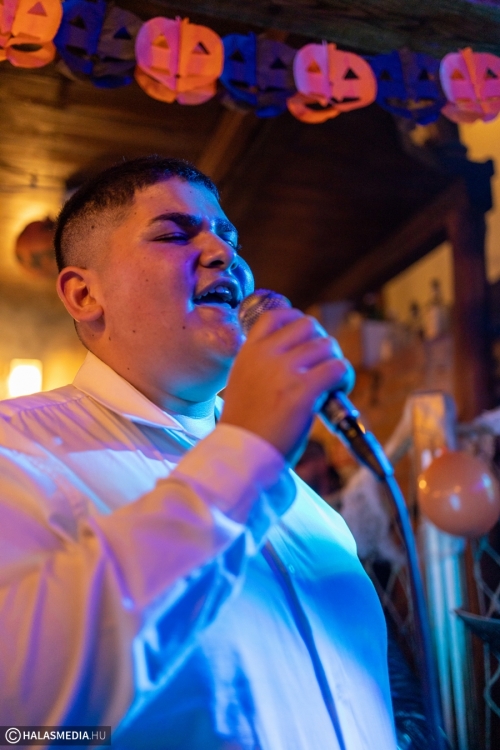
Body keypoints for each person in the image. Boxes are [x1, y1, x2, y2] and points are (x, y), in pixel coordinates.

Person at [0, 156, 397, 749]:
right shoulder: (16, 449)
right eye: (173, 235)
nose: (222, 252)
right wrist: (246, 454)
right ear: (84, 293)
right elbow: (21, 712)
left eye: (228, 236)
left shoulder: (307, 506)